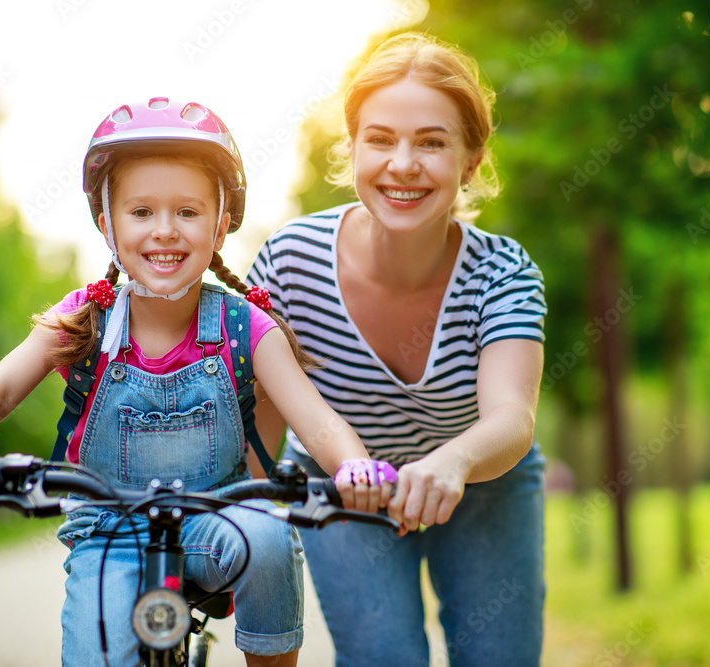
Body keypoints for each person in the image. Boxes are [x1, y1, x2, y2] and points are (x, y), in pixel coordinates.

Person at [0, 97, 396, 667]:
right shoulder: (85, 321)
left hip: (219, 519)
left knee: (270, 536)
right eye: (141, 212)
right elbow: (2, 385)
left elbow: (317, 419)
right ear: (107, 223)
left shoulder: (246, 326)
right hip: (109, 531)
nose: (165, 231)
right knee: (96, 655)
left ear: (221, 222)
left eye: (187, 211)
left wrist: (355, 467)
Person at [247, 33, 547, 666]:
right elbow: (262, 432)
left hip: (481, 479)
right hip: (339, 487)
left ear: (471, 160)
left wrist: (453, 463)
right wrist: (238, 524)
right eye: (380, 139)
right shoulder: (288, 264)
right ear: (352, 147)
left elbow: (512, 420)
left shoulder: (504, 273)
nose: (403, 164)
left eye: (432, 142)